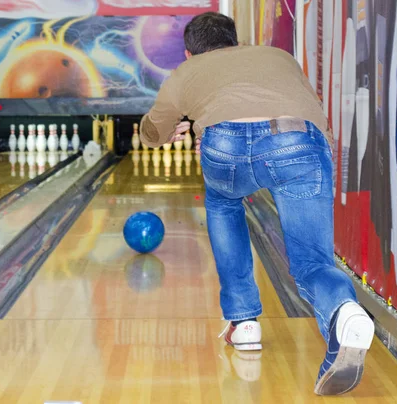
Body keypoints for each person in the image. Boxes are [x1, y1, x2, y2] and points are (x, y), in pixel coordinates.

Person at [139, 12, 375, 396]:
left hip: (225, 144)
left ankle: (244, 322)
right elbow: (308, 111)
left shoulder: (187, 71)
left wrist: (181, 127)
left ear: (188, 52)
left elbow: (151, 131)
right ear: (236, 41)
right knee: (312, 261)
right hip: (299, 142)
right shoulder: (279, 57)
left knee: (222, 200)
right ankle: (343, 311)